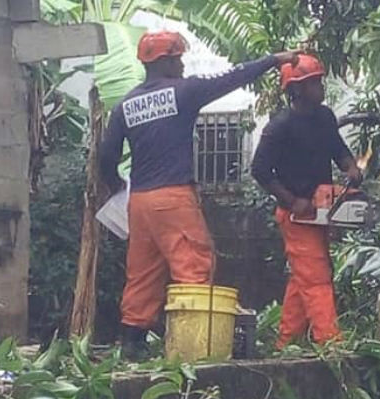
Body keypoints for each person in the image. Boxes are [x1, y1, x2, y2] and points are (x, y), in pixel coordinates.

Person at [99, 30, 299, 360]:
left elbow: (107, 156)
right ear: (165, 61)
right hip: (173, 197)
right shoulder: (183, 91)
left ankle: (131, 344)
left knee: (143, 273)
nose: (182, 64)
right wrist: (273, 60)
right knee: (193, 266)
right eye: (178, 58)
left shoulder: (125, 105)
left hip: (140, 203)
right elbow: (233, 77)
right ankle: (192, 348)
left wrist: (116, 185)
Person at [251, 54, 362, 349]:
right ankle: (331, 343)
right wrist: (291, 200)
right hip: (297, 215)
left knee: (304, 277)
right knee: (316, 279)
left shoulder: (324, 117)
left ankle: (285, 342)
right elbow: (259, 170)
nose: (320, 87)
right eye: (314, 83)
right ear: (296, 89)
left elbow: (338, 149)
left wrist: (350, 167)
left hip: (322, 208)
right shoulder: (280, 126)